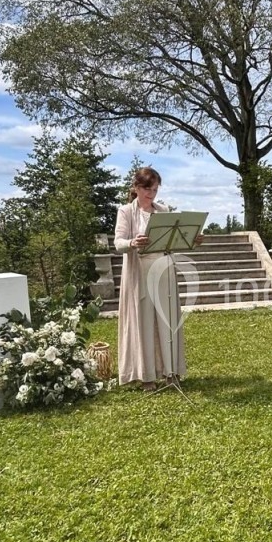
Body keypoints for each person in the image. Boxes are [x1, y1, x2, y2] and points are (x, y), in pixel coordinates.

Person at [114, 167, 187, 391]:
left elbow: (172, 240)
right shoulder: (126, 211)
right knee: (143, 322)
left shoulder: (163, 210)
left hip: (163, 271)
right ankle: (146, 376)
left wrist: (191, 238)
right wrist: (132, 243)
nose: (152, 194)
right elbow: (118, 243)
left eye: (155, 189)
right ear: (136, 187)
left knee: (167, 322)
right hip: (139, 274)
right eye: (147, 189)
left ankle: (171, 372)